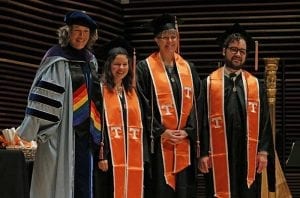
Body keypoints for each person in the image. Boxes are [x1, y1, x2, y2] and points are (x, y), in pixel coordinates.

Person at [16, 10, 101, 198]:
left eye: (86, 32)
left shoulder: (91, 61)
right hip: (61, 132)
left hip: (84, 135)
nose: (81, 36)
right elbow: (45, 99)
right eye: (77, 31)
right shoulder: (56, 58)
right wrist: (34, 129)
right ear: (67, 32)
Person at [199, 23, 275, 198]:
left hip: (247, 154)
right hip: (217, 153)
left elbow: (264, 121)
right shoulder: (209, 84)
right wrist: (202, 153)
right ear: (224, 51)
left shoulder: (255, 85)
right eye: (233, 49)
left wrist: (263, 152)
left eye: (242, 51)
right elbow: (202, 121)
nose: (238, 54)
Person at [136, 13, 201, 198]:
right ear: (156, 40)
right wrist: (160, 130)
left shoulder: (188, 68)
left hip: (183, 143)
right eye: (165, 37)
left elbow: (198, 103)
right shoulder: (145, 68)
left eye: (173, 36)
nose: (170, 41)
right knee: (160, 189)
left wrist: (188, 130)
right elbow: (142, 105)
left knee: (184, 191)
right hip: (158, 144)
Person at [94, 37, 150, 198]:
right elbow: (96, 125)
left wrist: (143, 155)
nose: (121, 68)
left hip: (132, 156)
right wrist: (101, 155)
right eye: (117, 64)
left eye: (125, 64)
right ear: (109, 66)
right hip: (109, 157)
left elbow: (142, 126)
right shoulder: (100, 91)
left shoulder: (132, 92)